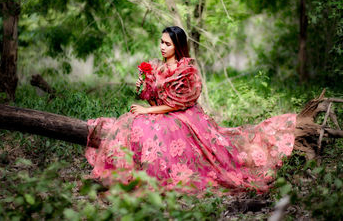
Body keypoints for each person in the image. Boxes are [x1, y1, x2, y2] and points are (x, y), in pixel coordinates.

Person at [85, 26, 296, 194]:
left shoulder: (186, 69)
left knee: (158, 129)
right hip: (162, 112)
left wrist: (147, 111)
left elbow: (178, 104)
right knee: (132, 122)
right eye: (161, 42)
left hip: (182, 114)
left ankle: (160, 177)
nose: (162, 47)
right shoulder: (157, 66)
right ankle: (125, 174)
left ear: (177, 45)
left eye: (167, 43)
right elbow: (148, 96)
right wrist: (141, 85)